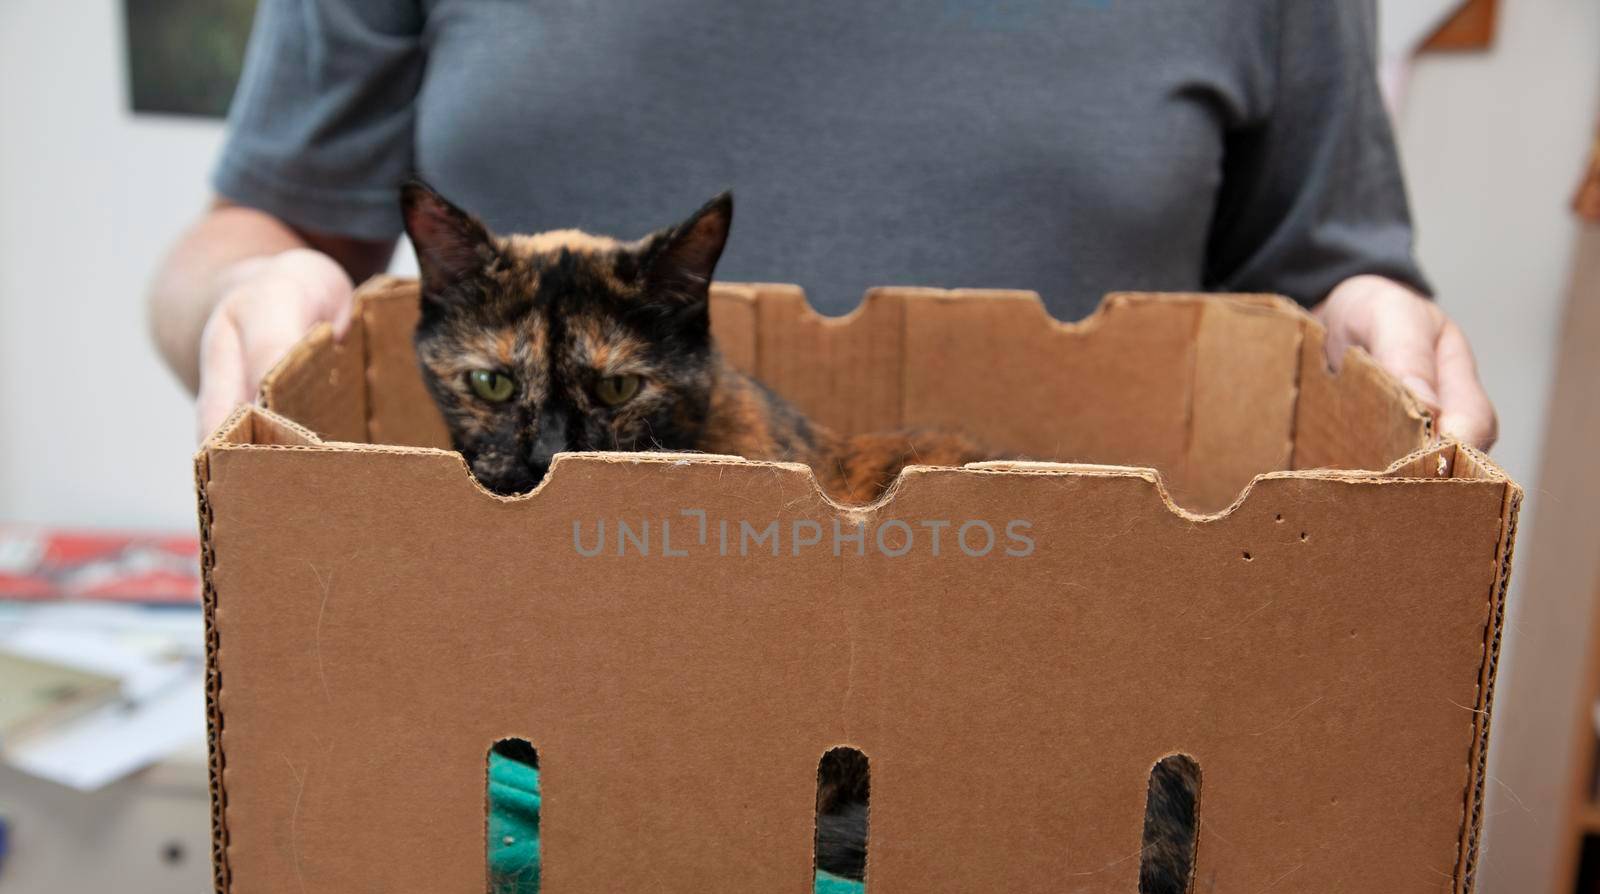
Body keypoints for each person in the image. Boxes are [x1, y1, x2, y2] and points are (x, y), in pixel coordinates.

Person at [149, 0, 1496, 451]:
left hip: (1064, 729)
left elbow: (1326, 290)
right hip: (523, 732)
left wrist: (1371, 342)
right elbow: (244, 239)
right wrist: (244, 292)